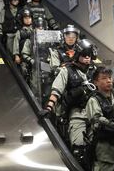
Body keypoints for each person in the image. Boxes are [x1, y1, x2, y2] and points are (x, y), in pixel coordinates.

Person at [39, 39, 97, 169]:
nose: (87, 59)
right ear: (78, 55)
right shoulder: (67, 71)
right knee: (79, 152)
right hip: (77, 113)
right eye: (84, 55)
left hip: (96, 114)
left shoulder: (94, 72)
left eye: (89, 56)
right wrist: (49, 107)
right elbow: (57, 90)